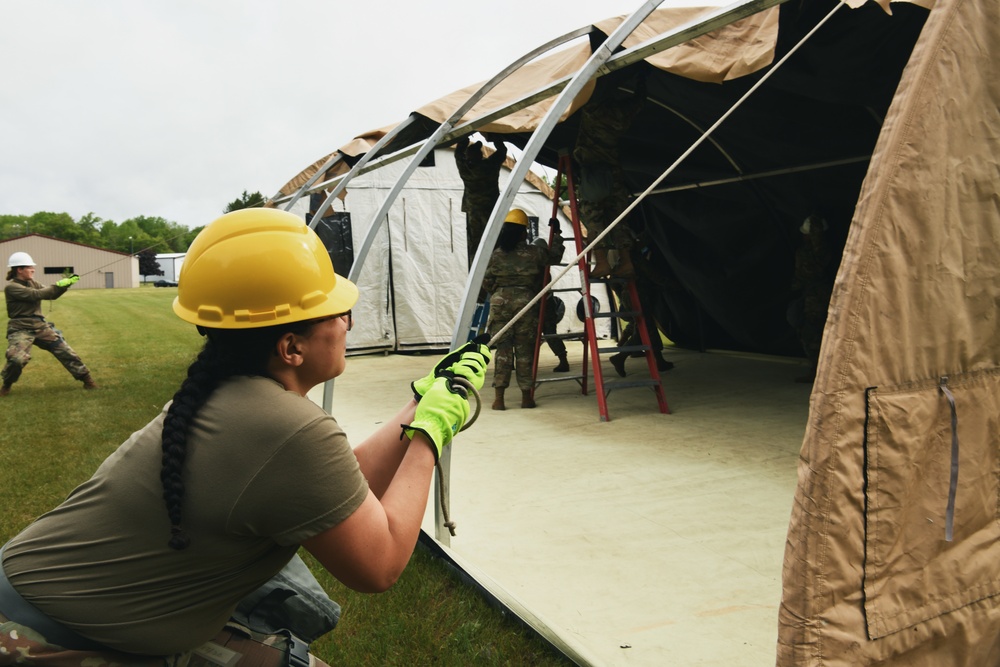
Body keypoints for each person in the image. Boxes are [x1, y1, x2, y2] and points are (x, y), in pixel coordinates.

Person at [0, 209, 491, 665]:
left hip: (52, 599)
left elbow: (340, 488)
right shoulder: (286, 427)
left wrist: (419, 404)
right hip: (43, 638)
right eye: (336, 313)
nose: (349, 322)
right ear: (291, 346)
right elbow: (378, 566)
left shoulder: (230, 397)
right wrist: (431, 435)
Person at [482, 209, 563, 410]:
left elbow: (486, 281)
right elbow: (555, 256)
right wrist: (557, 235)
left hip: (500, 303)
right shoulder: (534, 253)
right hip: (526, 303)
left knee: (503, 351)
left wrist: (501, 292)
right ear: (523, 233)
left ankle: (499, 399)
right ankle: (526, 397)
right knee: (525, 350)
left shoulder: (496, 255)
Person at [573, 75, 645, 279]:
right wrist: (641, 84)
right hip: (613, 173)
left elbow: (582, 95)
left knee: (594, 218)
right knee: (619, 219)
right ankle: (626, 262)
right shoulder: (621, 114)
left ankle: (602, 263)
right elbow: (639, 102)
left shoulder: (592, 109)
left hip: (592, 175)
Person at [2, 252, 96, 396]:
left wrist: (65, 285)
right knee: (17, 359)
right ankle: (7, 385)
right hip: (20, 328)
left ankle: (87, 380)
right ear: (19, 269)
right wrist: (58, 285)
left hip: (40, 326)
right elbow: (37, 295)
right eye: (30, 267)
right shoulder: (12, 287)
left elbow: (50, 294)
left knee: (65, 351)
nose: (33, 269)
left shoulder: (33, 283)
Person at [454, 134, 508, 264]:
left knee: (475, 243)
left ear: (468, 156)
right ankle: (495, 267)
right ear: (481, 155)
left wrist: (464, 136)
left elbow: (458, 153)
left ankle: (476, 271)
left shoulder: (465, 169)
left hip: (473, 212)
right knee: (494, 240)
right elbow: (502, 152)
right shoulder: (490, 165)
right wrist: (495, 138)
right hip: (491, 210)